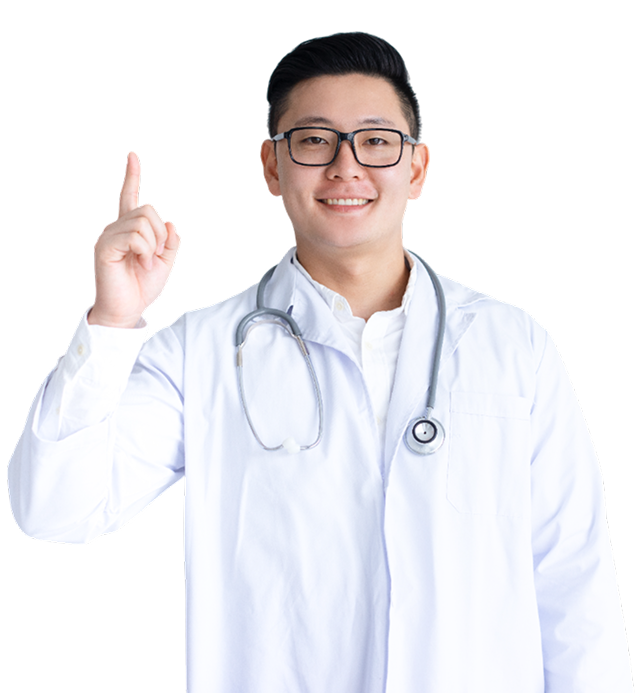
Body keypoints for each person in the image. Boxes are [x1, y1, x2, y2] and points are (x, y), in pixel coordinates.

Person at [7, 32, 633, 693]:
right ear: (272, 167)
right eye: (313, 140)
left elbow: (574, 578)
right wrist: (112, 322)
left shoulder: (514, 346)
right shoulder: (202, 350)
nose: (345, 166)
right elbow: (54, 510)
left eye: (376, 141)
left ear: (416, 169)